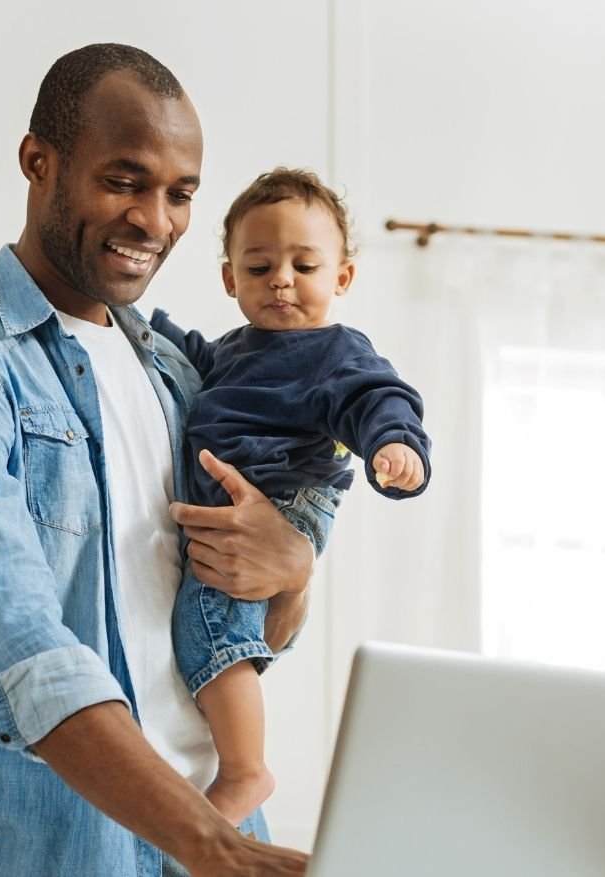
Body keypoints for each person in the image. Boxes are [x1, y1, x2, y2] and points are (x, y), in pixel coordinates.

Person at [0, 44, 313, 877]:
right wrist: (204, 841)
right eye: (124, 180)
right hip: (71, 853)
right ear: (38, 162)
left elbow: (254, 634)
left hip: (224, 835)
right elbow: (25, 658)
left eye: (180, 193)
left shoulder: (181, 373)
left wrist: (292, 571)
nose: (155, 220)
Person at [149, 168, 431, 825]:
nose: (281, 278)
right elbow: (194, 362)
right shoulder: (237, 351)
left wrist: (396, 445)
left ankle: (246, 769)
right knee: (214, 628)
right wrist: (142, 323)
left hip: (287, 496)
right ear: (230, 280)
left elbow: (376, 398)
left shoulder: (333, 353)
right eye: (259, 265)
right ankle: (239, 761)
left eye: (304, 264)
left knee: (210, 626)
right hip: (251, 504)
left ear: (342, 277)